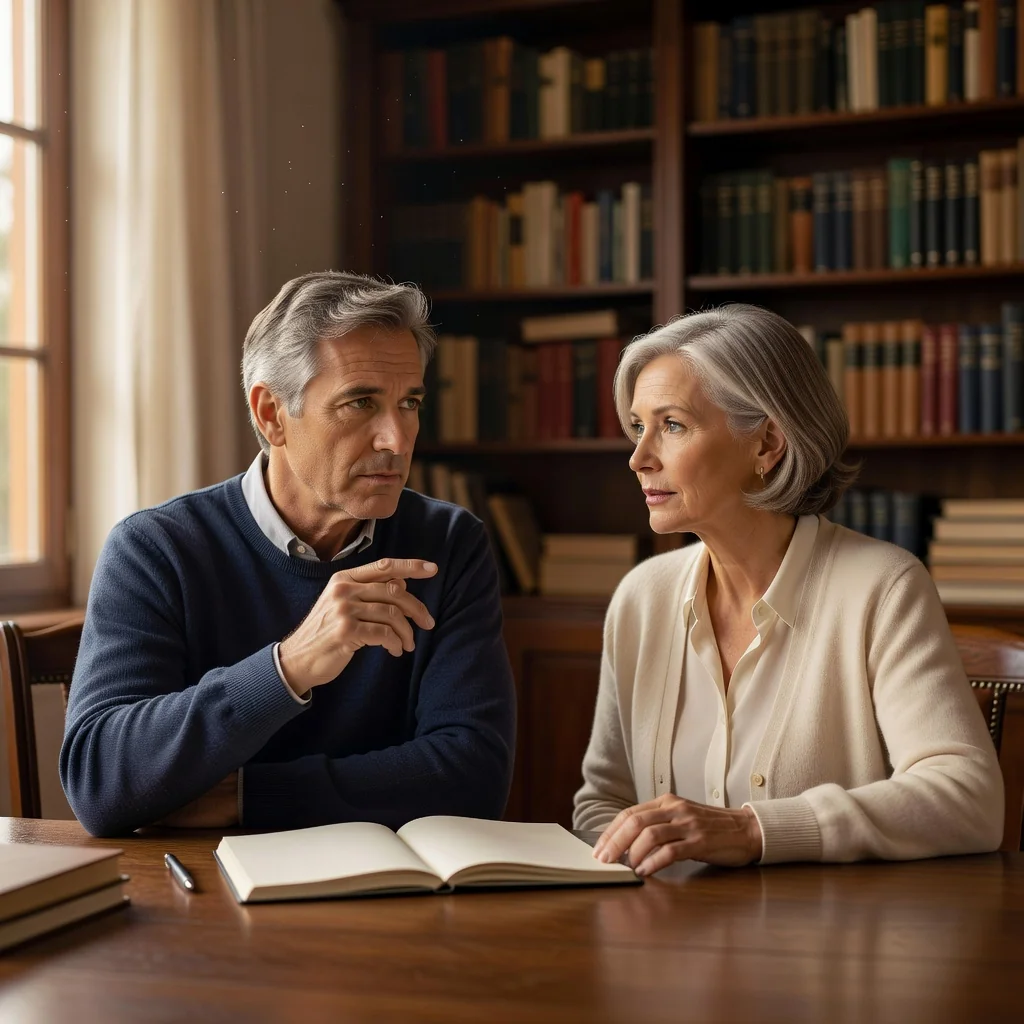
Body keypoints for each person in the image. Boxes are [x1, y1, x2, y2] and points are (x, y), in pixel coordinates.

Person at [61, 272, 516, 837]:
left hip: (387, 897)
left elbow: (475, 776)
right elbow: (100, 783)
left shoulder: (449, 542)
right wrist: (288, 667)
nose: (397, 440)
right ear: (272, 415)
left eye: (410, 403)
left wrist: (250, 797)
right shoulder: (156, 548)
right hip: (200, 898)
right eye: (361, 403)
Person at [574, 304, 1004, 873]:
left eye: (672, 425)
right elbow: (602, 803)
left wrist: (753, 830)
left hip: (833, 946)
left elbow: (969, 799)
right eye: (638, 427)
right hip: (666, 945)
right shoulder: (640, 598)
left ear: (767, 443)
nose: (638, 458)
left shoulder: (884, 587)